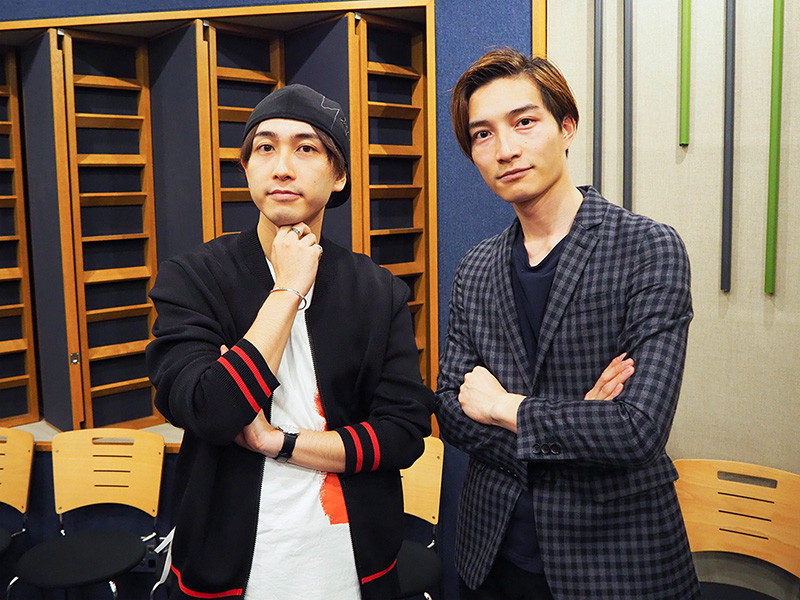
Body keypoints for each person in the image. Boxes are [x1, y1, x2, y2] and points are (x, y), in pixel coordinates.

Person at [146, 83, 434, 600]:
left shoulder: (378, 291)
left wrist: (277, 442)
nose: (282, 167)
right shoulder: (193, 278)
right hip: (229, 559)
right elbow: (211, 409)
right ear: (247, 168)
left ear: (339, 174)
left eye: (306, 148)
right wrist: (288, 288)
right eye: (265, 147)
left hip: (351, 558)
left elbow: (403, 433)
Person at [436, 48, 700, 599]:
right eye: (482, 134)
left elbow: (636, 429)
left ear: (566, 126)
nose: (505, 149)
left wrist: (505, 408)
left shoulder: (648, 248)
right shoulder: (475, 267)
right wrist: (579, 423)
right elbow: (453, 413)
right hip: (494, 554)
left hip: (616, 559)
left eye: (524, 122)